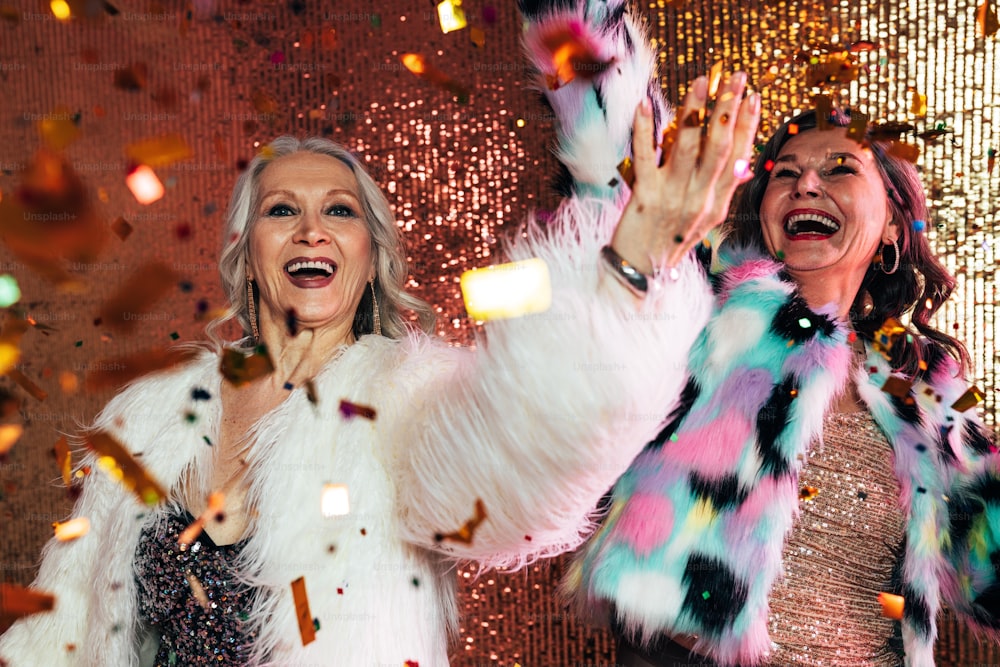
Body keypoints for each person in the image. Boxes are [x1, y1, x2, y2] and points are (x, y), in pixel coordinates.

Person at [0, 74, 759, 666]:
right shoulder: (149, 416)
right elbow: (63, 629)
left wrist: (632, 262)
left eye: (338, 211)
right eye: (280, 210)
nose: (309, 229)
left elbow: (518, 453)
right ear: (247, 254)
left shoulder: (397, 400)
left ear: (370, 259)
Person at [518, 1, 1000, 665]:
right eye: (785, 171)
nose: (805, 181)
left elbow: (990, 570)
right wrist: (580, 20)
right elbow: (629, 165)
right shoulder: (703, 305)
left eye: (839, 168)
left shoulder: (925, 391)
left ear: (892, 226)